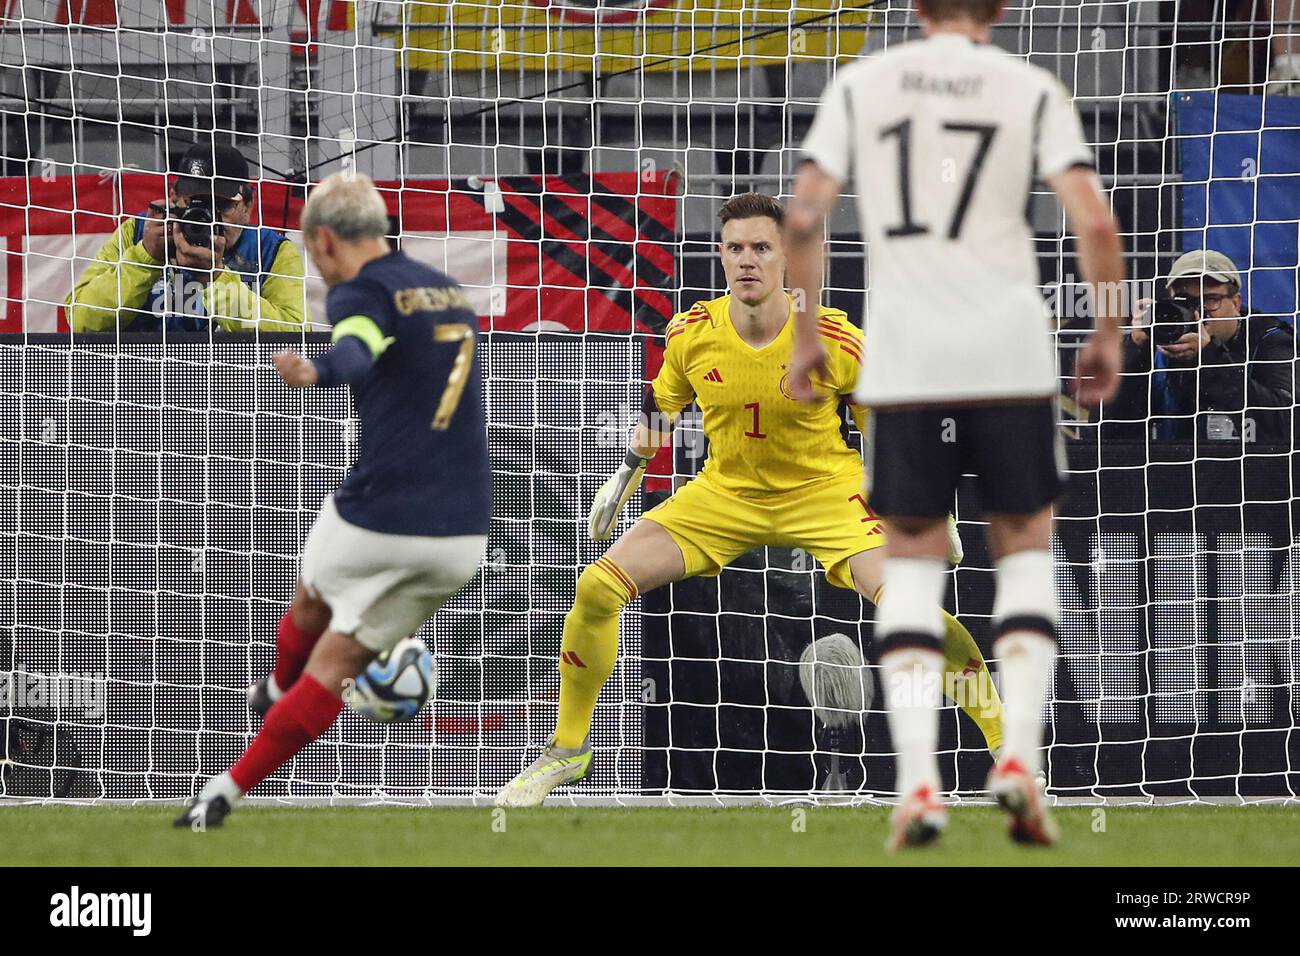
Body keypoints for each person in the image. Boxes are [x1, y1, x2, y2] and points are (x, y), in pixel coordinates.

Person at [495, 192, 1007, 809]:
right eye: (735, 248)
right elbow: (663, 407)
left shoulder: (836, 341)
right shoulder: (691, 334)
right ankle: (567, 751)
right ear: (720, 254)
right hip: (725, 494)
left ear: (786, 257)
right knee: (598, 588)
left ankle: (1007, 747)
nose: (747, 261)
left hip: (824, 494)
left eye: (761, 248)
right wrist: (627, 473)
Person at [786, 0, 1124, 848]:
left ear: (917, 8)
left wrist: (803, 338)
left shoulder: (864, 84)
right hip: (1007, 350)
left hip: (908, 354)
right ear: (999, 10)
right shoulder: (1028, 85)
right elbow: (1094, 218)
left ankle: (919, 785)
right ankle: (1016, 759)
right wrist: (1110, 329)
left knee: (910, 564)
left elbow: (802, 216)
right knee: (1024, 549)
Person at [174, 172, 490, 828]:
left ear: (324, 239)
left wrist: (315, 369)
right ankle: (221, 796)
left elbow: (357, 352)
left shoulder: (361, 290)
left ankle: (275, 691)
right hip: (463, 536)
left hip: (381, 513)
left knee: (311, 604)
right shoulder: (449, 292)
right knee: (342, 664)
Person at [66, 142, 307, 332]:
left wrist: (216, 277)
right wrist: (145, 257)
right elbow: (81, 318)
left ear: (248, 206)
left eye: (221, 206)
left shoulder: (271, 250)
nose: (209, 219)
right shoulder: (140, 233)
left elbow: (294, 336)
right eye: (195, 204)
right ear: (174, 198)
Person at [1127, 249, 1294, 443]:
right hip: (1174, 470)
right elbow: (1105, 434)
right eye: (1186, 301)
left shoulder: (1271, 342)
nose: (1199, 312)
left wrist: (1209, 357)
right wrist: (1135, 351)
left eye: (1210, 300)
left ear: (1236, 303)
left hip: (1252, 471)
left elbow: (1286, 428)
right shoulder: (1158, 342)